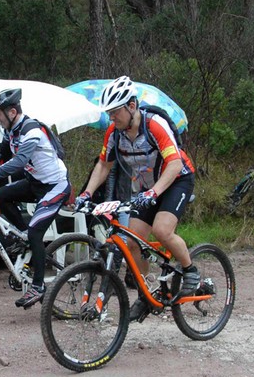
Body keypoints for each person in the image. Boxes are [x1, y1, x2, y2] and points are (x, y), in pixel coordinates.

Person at [74, 75, 200, 322]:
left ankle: (190, 269)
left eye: (115, 112)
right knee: (132, 241)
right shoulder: (115, 133)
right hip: (146, 188)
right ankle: (147, 293)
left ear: (131, 106)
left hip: (177, 179)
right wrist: (86, 193)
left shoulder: (154, 125)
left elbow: (174, 163)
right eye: (109, 113)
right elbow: (103, 165)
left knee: (162, 230)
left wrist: (154, 193)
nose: (111, 117)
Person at [0, 87, 71, 309]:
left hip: (55, 186)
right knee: (1, 195)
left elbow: (19, 161)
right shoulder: (10, 131)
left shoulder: (31, 131)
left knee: (35, 232)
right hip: (35, 182)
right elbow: (2, 154)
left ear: (12, 112)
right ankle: (24, 237)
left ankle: (38, 286)